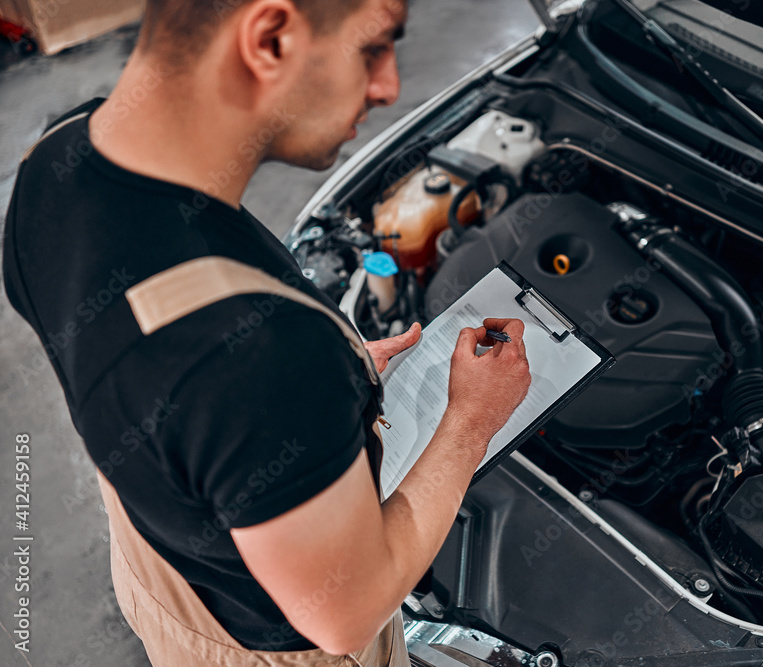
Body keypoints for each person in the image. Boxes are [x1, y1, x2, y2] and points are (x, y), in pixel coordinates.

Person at [1, 0, 532, 664]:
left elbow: (155, 374)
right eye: (374, 47)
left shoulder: (52, 167)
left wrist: (326, 384)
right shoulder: (260, 357)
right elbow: (344, 613)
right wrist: (470, 421)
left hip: (160, 566)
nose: (389, 85)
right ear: (271, 36)